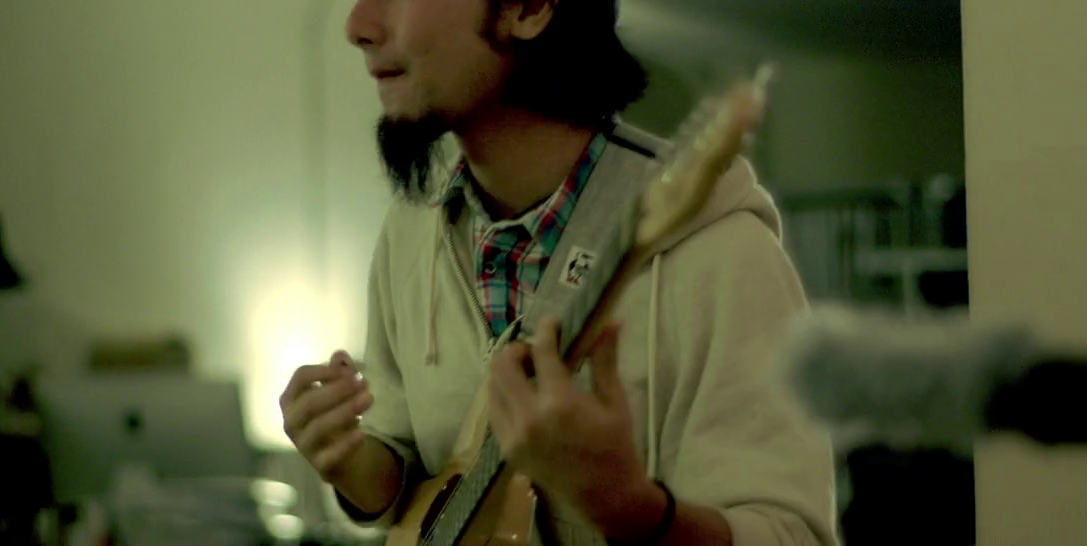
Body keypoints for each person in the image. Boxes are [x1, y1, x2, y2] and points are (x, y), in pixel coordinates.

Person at [278, 0, 838, 544]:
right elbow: (408, 479)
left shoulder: (723, 254)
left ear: (527, 7)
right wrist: (351, 461)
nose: (357, 24)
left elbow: (792, 535)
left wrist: (630, 508)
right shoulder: (410, 233)